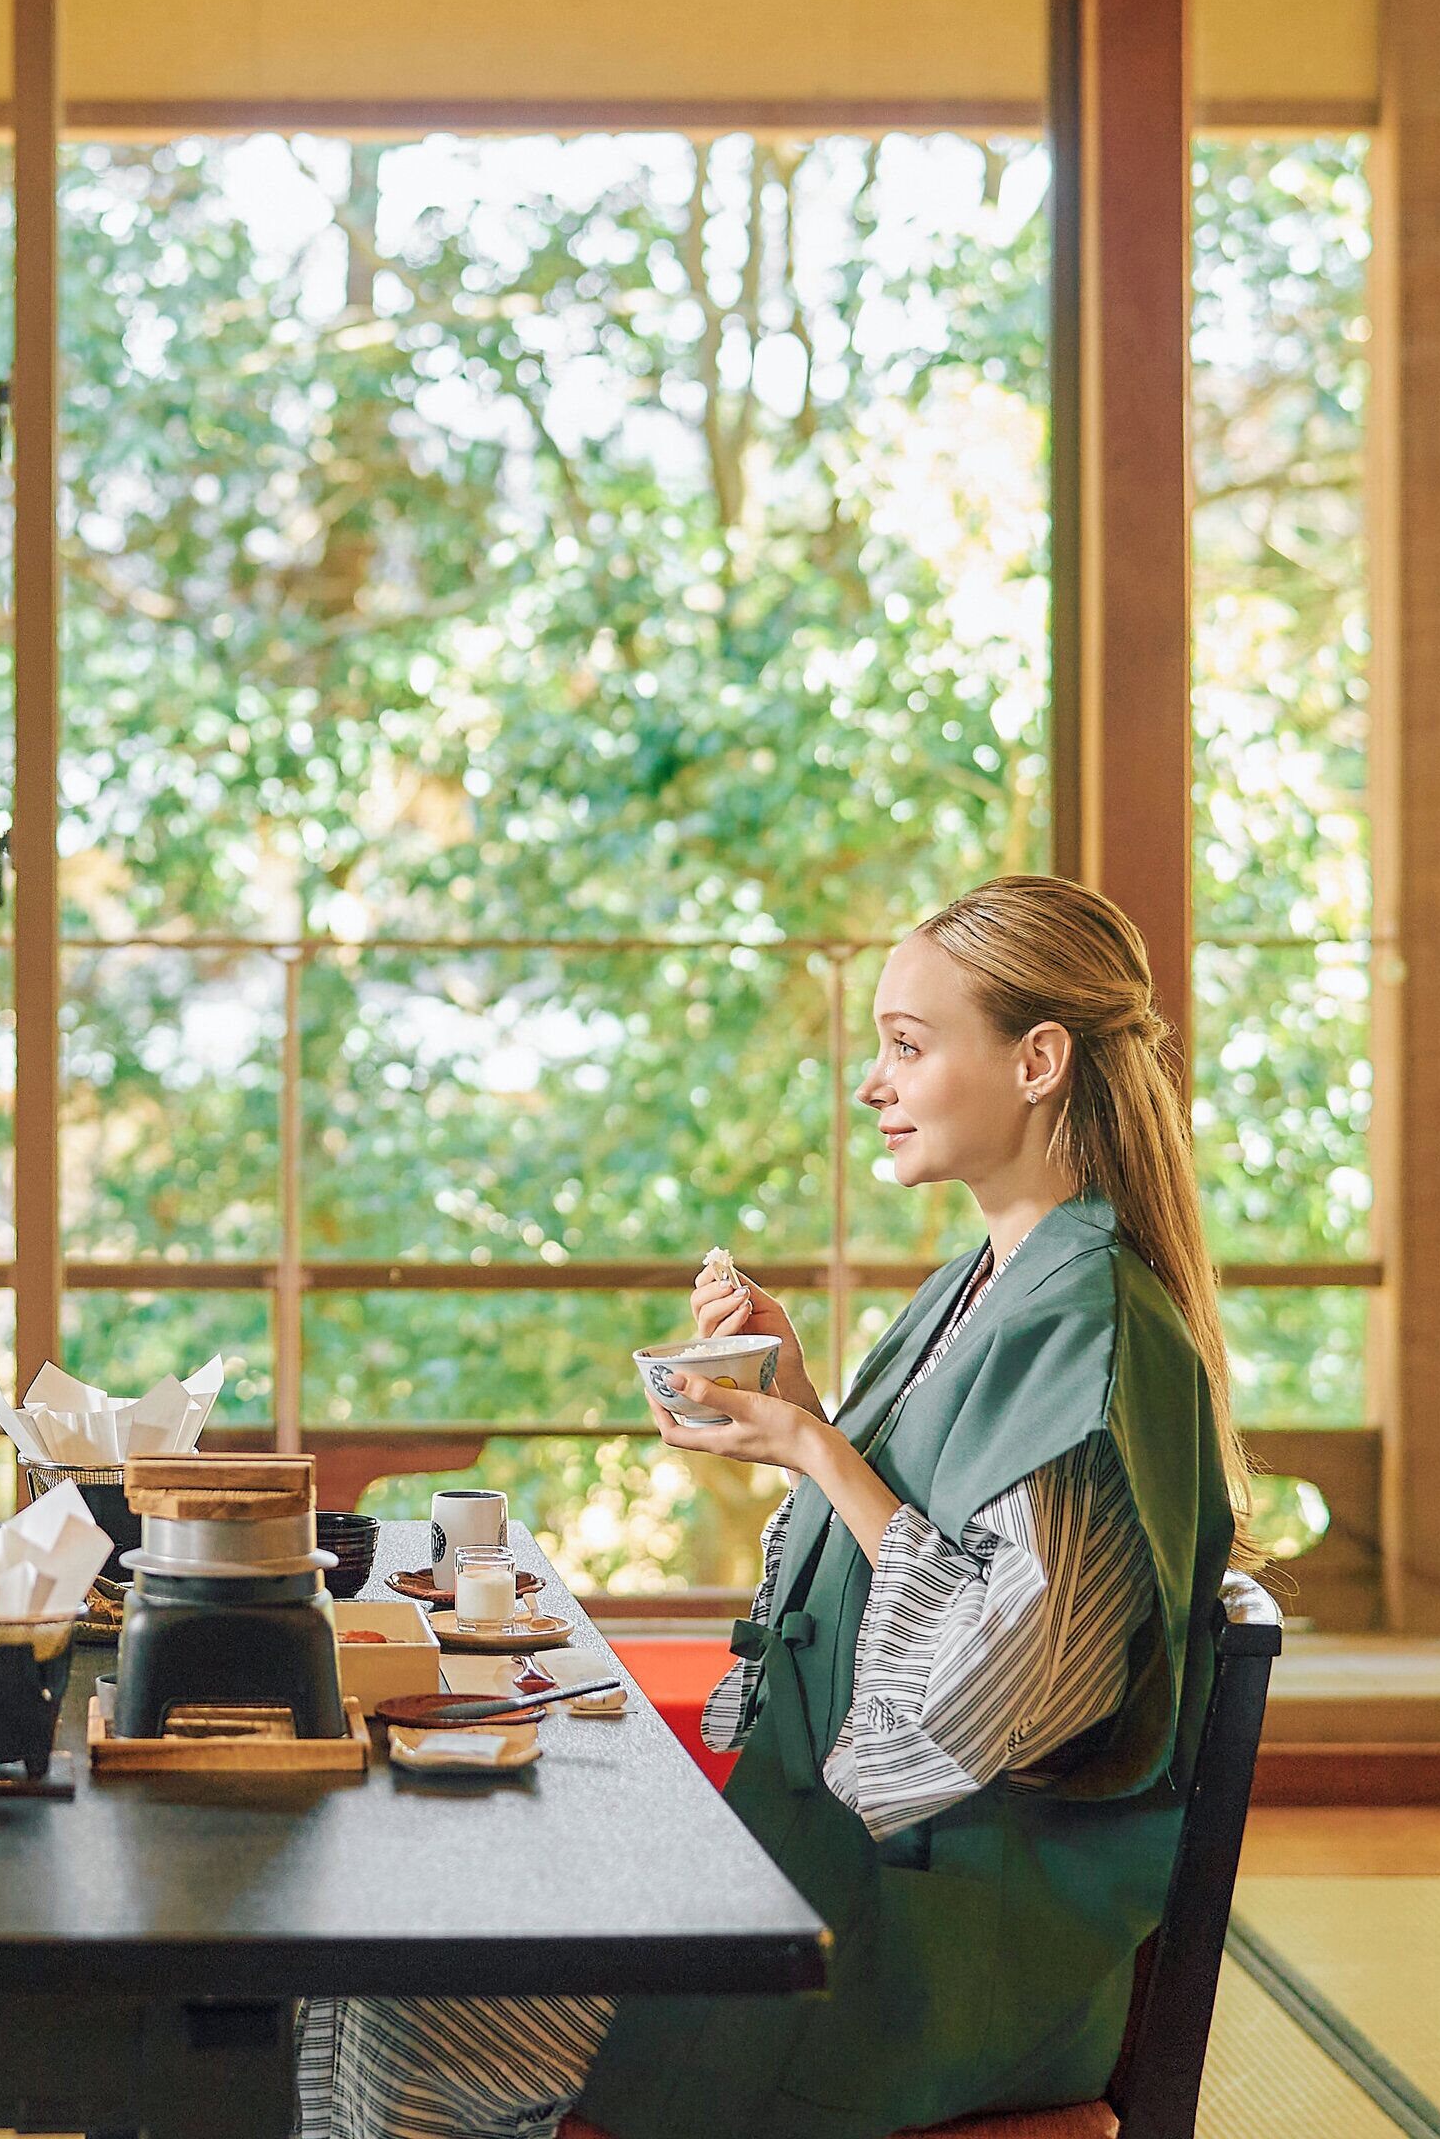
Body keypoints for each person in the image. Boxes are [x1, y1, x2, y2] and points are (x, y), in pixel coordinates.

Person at [304, 876, 1250, 2139]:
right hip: (851, 1883)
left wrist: (817, 1445)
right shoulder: (990, 1283)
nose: (873, 1082)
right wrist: (806, 1413)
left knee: (414, 1975)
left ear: (1038, 1060)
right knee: (394, 1930)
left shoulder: (1091, 1321)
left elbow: (999, 1689)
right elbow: (916, 1541)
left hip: (924, 1956)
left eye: (908, 1047)